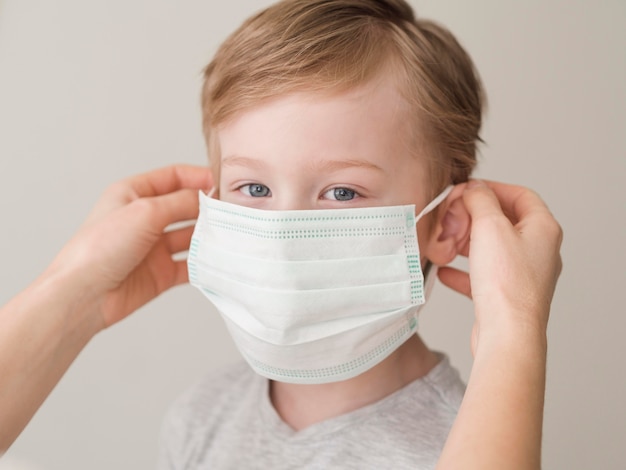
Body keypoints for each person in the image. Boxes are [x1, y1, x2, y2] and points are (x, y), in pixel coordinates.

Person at [0, 1, 562, 470]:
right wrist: (73, 289)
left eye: (342, 192)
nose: (283, 230)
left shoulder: (474, 438)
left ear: (446, 224)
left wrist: (512, 329)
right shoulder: (201, 417)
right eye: (254, 188)